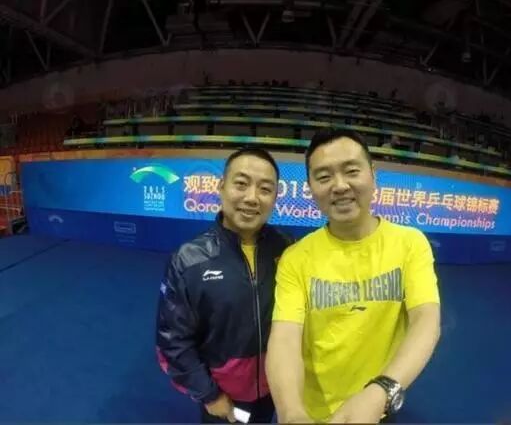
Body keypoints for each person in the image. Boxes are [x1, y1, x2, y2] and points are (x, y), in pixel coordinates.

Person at [266, 129, 441, 424]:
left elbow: (426, 320)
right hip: (312, 412)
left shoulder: (410, 244)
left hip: (377, 404)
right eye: (324, 177)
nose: (340, 185)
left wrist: (381, 390)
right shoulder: (296, 258)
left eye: (351, 171)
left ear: (373, 175)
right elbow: (285, 338)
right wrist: (291, 412)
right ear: (310, 188)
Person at [156, 147, 291, 423]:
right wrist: (209, 395)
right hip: (222, 397)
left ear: (275, 197)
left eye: (265, 189)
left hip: (273, 390)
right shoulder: (189, 261)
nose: (252, 197)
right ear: (221, 187)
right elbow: (172, 342)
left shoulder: (288, 250)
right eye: (241, 184)